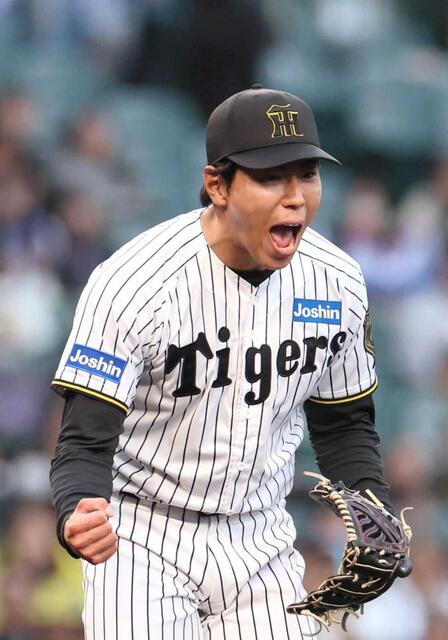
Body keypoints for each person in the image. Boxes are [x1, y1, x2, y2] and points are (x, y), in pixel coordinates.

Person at [49, 85, 396, 639]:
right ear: (217, 185)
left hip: (262, 536)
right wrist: (77, 508)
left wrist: (372, 512)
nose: (295, 198)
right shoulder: (134, 283)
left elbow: (345, 424)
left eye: (307, 174)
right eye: (270, 177)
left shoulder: (337, 281)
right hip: (142, 534)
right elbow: (85, 440)